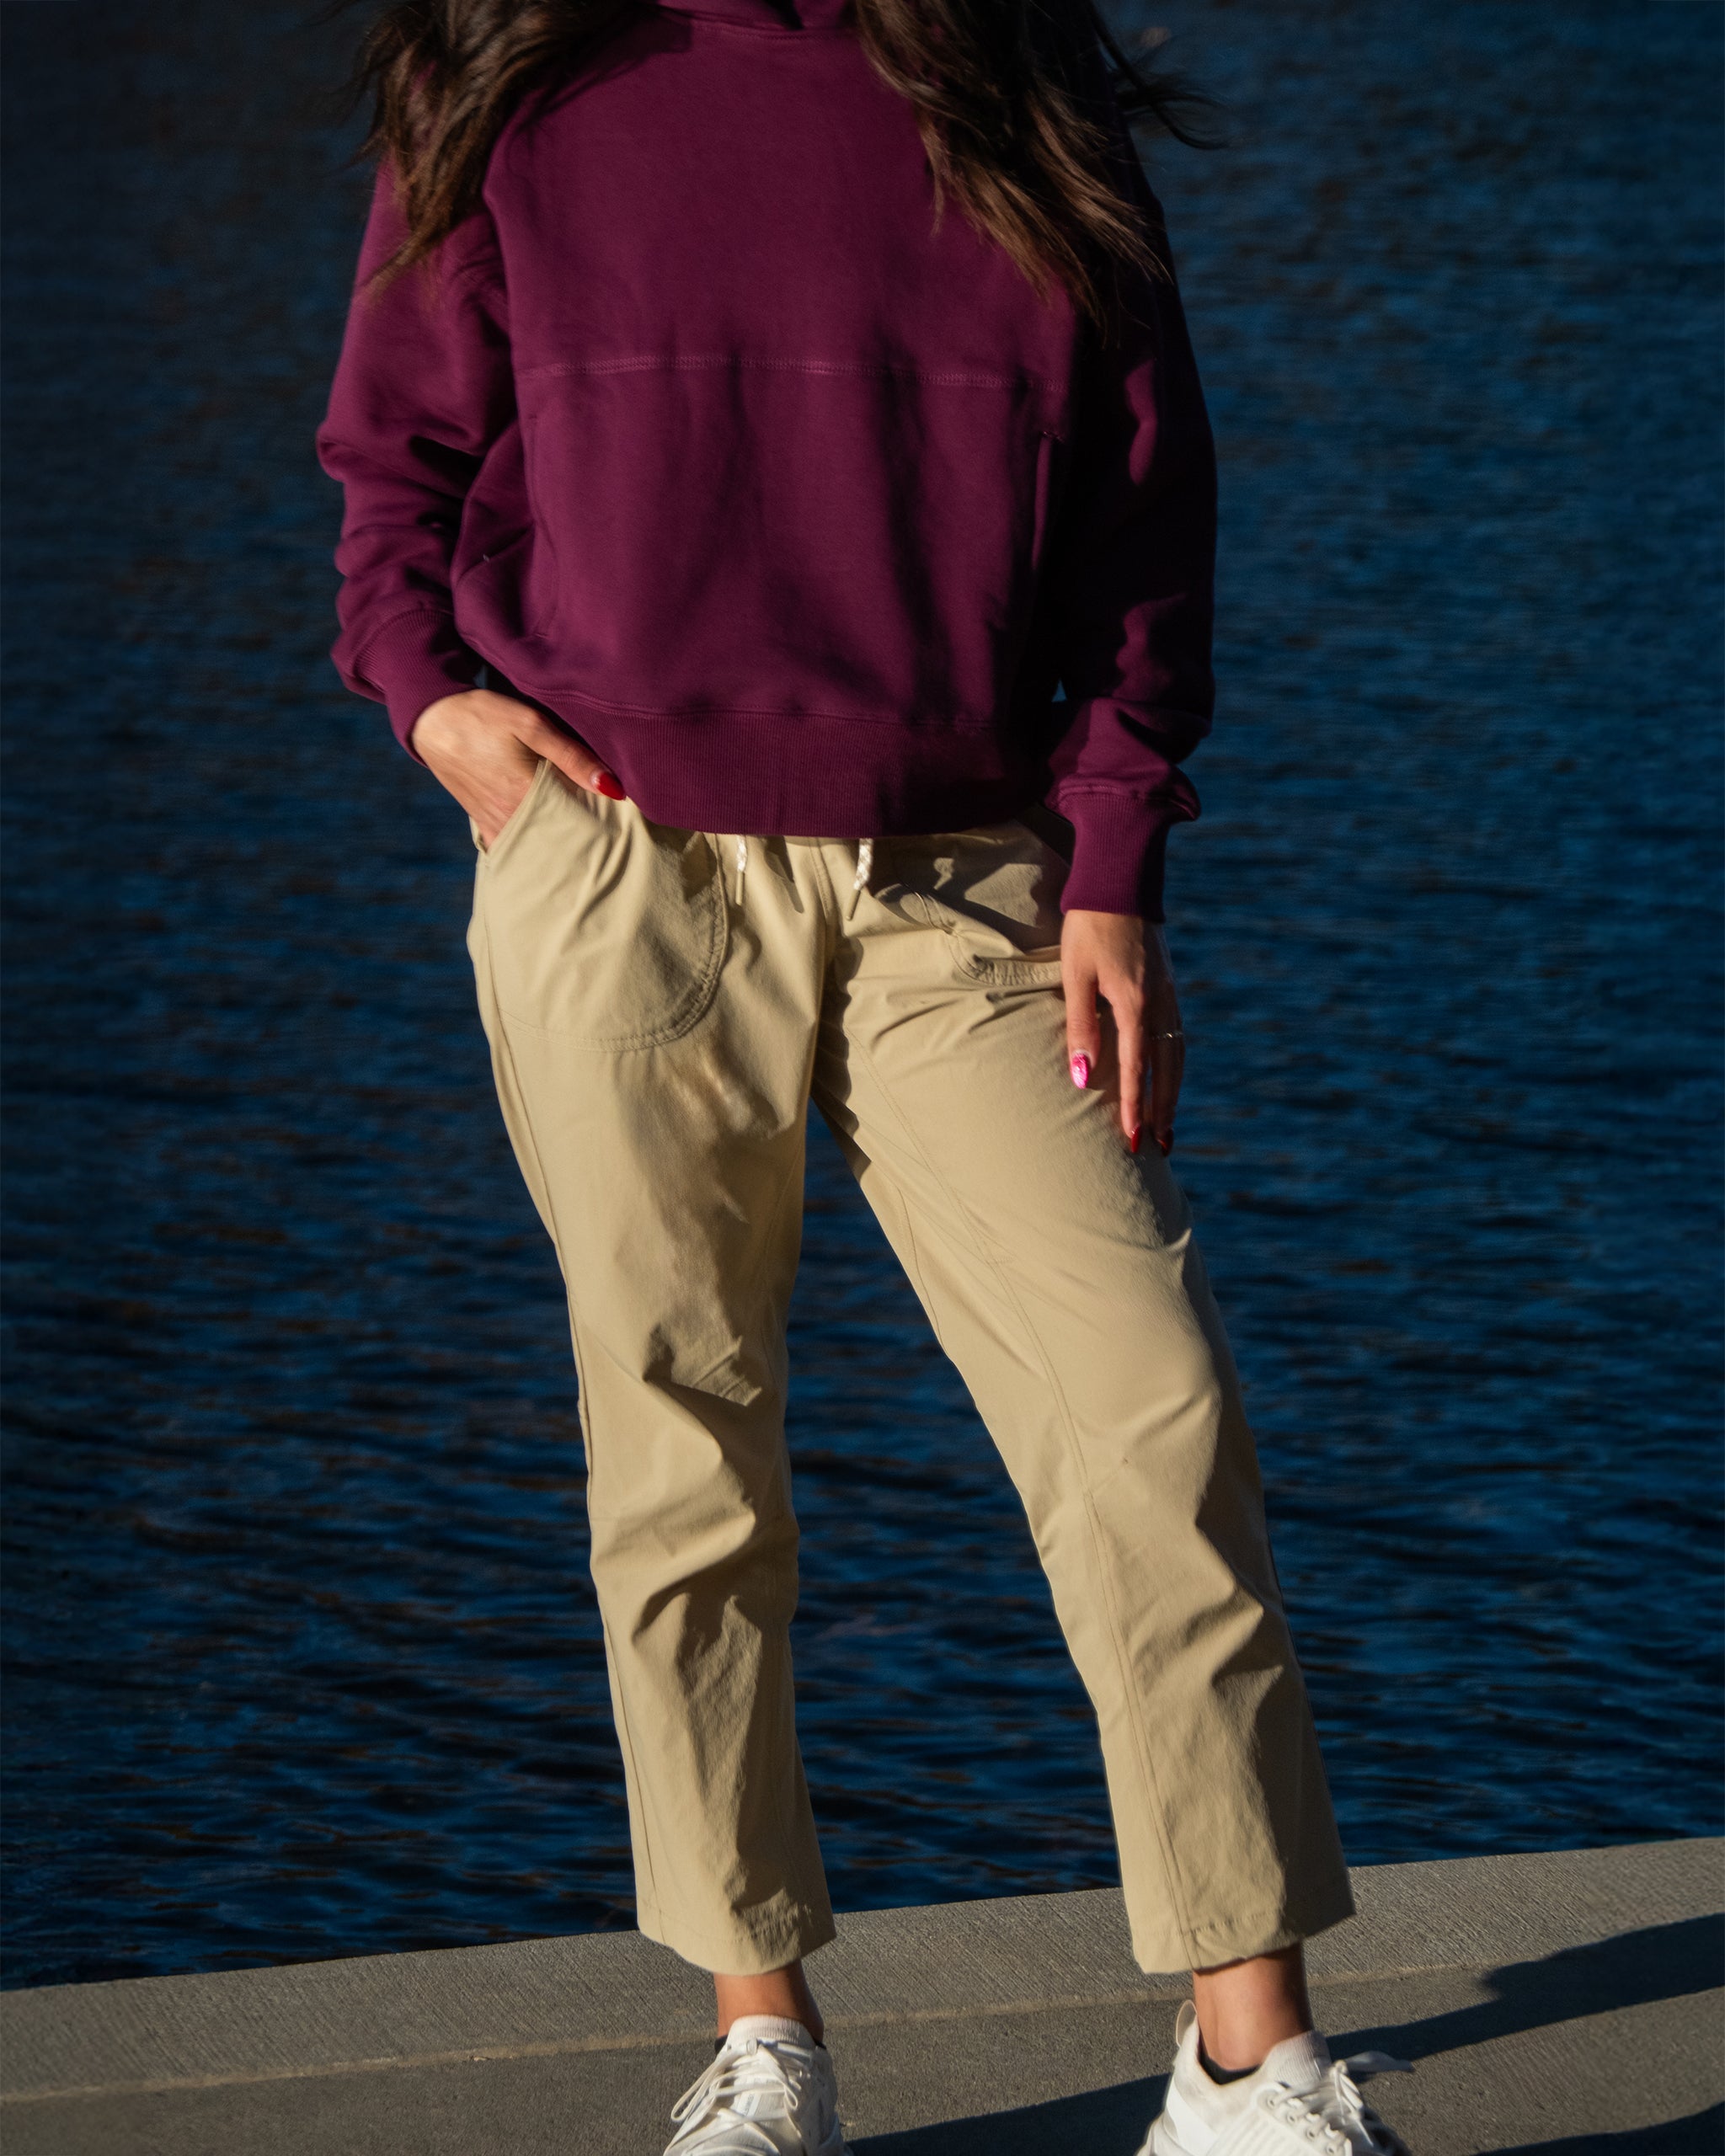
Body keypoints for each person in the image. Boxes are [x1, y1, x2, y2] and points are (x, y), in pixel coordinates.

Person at [318, 1, 1412, 2149]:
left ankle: (1246, 2058)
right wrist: (428, 699)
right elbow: (393, 459)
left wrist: (1113, 862)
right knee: (681, 1449)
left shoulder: (1012, 96)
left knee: (1144, 1404)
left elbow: (1140, 513)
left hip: (968, 877)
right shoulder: (515, 86)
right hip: (623, 861)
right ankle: (766, 2043)